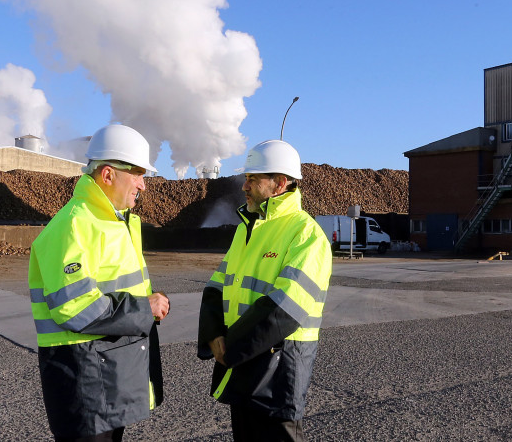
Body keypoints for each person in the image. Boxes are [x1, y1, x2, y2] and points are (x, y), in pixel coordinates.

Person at [28, 124, 171, 442]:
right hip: (85, 384)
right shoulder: (75, 225)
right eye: (137, 173)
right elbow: (73, 306)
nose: (143, 185)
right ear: (108, 175)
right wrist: (143, 308)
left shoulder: (114, 223)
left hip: (104, 381)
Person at [198, 139, 333, 442]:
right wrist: (213, 335)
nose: (244, 186)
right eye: (245, 178)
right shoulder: (249, 229)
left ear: (279, 183)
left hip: (278, 368)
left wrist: (229, 347)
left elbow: (286, 307)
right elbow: (215, 287)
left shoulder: (306, 234)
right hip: (244, 359)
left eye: (253, 179)